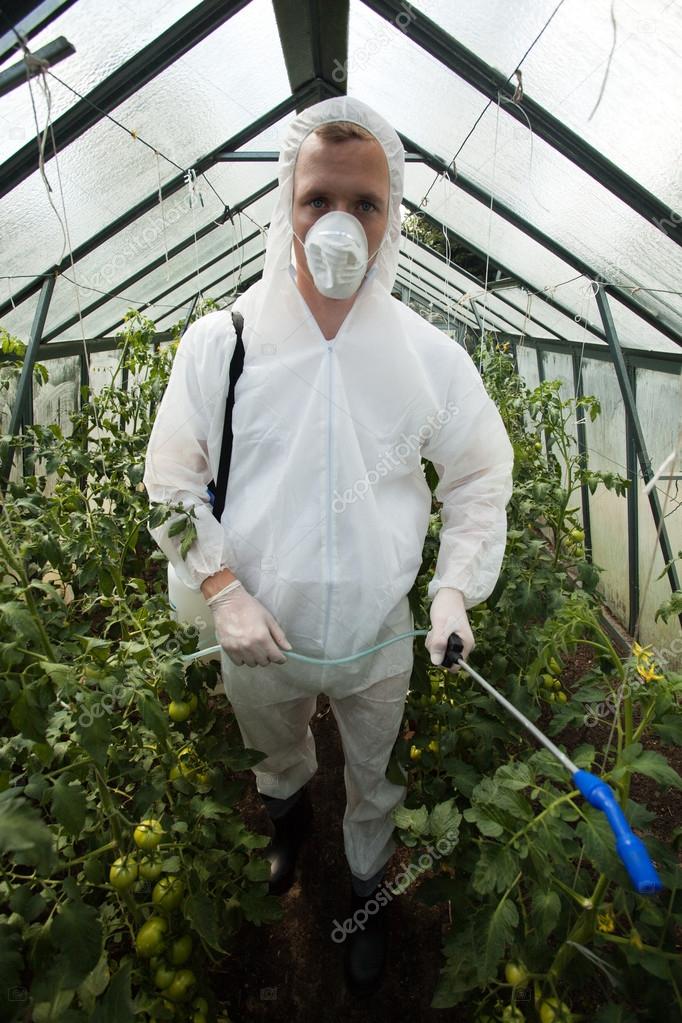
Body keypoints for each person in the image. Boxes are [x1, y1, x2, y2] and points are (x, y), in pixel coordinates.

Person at [143, 96, 513, 996]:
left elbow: (477, 478)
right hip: (257, 631)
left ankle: (362, 887)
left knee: (375, 765)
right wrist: (224, 588)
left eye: (365, 203)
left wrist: (454, 591)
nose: (339, 223)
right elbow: (173, 478)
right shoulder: (222, 346)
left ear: (391, 223)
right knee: (274, 743)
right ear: (287, 205)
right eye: (319, 199)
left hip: (379, 634)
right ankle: (286, 819)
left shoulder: (429, 358)